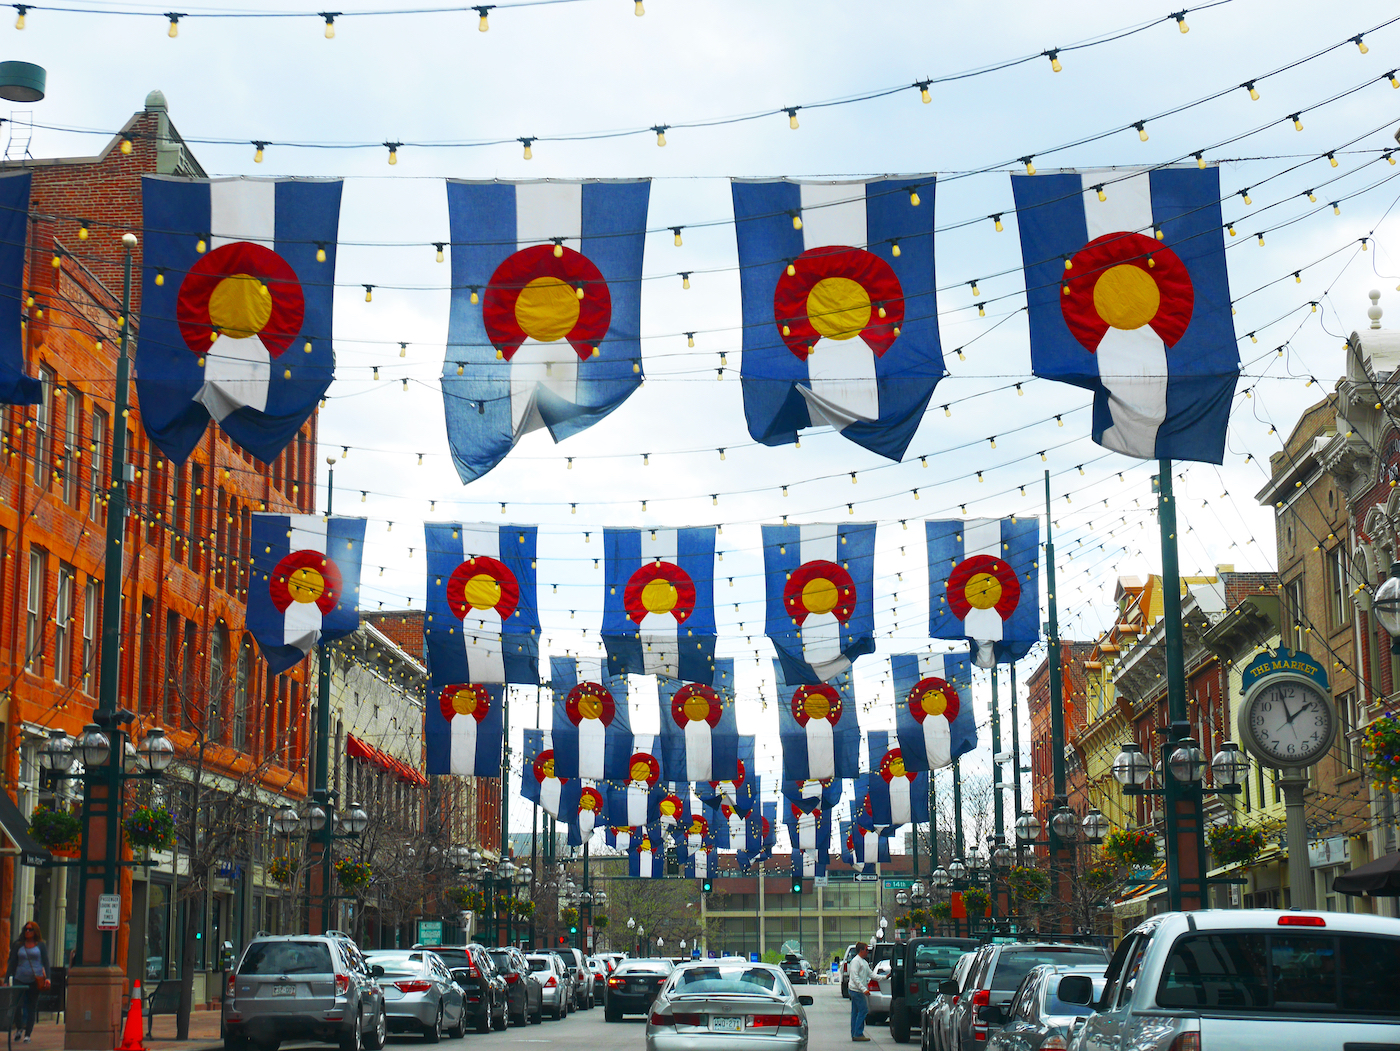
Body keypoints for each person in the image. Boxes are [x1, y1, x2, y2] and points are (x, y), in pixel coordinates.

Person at [7, 921, 50, 1043]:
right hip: (19, 978)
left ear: (35, 932)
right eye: (26, 929)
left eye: (30, 929)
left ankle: (28, 1034)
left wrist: (48, 978)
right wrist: (6, 979)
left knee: (31, 1007)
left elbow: (46, 962)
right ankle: (20, 1027)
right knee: (17, 1006)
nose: (27, 931)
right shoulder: (18, 945)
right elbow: (12, 963)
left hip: (35, 980)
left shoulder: (40, 945)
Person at [847, 942, 872, 1042]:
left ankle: (854, 1033)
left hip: (857, 990)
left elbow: (871, 974)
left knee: (855, 1012)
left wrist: (883, 977)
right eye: (866, 950)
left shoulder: (863, 962)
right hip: (856, 990)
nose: (867, 952)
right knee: (863, 1010)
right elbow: (855, 977)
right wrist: (864, 989)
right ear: (861, 950)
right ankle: (858, 1033)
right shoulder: (856, 961)